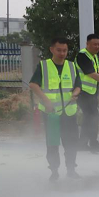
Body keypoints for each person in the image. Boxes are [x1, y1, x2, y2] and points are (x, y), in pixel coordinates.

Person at [29, 37, 82, 181]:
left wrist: (75, 93)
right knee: (53, 142)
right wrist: (46, 100)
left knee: (71, 142)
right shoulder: (44, 66)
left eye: (65, 50)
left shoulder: (72, 66)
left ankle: (71, 170)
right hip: (51, 113)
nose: (62, 53)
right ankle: (54, 171)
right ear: (52, 49)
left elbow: (78, 85)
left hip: (69, 112)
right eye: (59, 50)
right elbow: (33, 84)